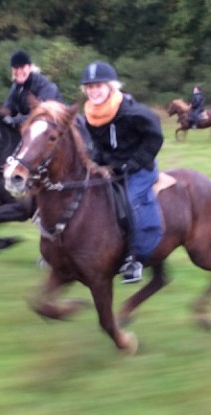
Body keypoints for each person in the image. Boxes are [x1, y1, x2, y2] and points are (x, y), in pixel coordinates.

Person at [80, 61, 164, 284]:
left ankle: (136, 258)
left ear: (110, 86)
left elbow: (155, 138)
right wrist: (95, 162)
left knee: (130, 200)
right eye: (89, 87)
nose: (93, 91)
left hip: (139, 169)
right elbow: (100, 145)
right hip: (113, 168)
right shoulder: (91, 114)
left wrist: (133, 164)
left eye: (98, 86)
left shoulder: (134, 112)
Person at [2, 50, 62, 129]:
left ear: (30, 68)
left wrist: (14, 120)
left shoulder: (46, 86)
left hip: (55, 130)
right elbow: (8, 108)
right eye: (16, 68)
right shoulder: (16, 86)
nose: (19, 71)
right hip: (35, 130)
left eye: (22, 67)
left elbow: (39, 114)